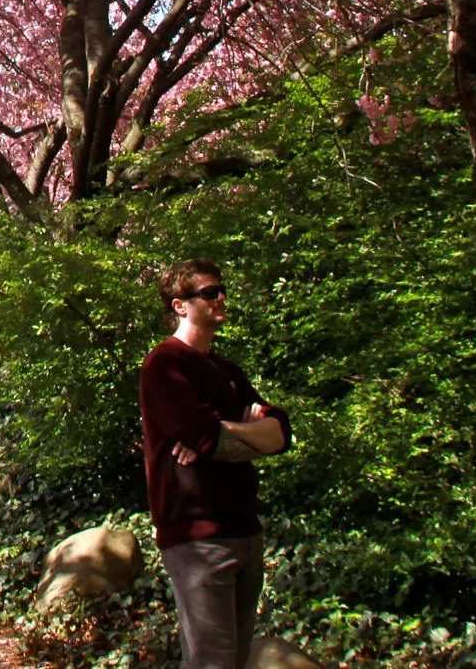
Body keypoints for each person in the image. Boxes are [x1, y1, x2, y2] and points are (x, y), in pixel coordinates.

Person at [139, 259, 292, 669]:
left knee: (237, 660)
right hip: (197, 538)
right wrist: (239, 431)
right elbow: (209, 441)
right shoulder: (165, 364)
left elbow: (281, 434)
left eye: (221, 290)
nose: (221, 298)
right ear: (180, 305)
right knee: (212, 662)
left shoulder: (226, 371)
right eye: (209, 293)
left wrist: (227, 429)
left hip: (246, 531)